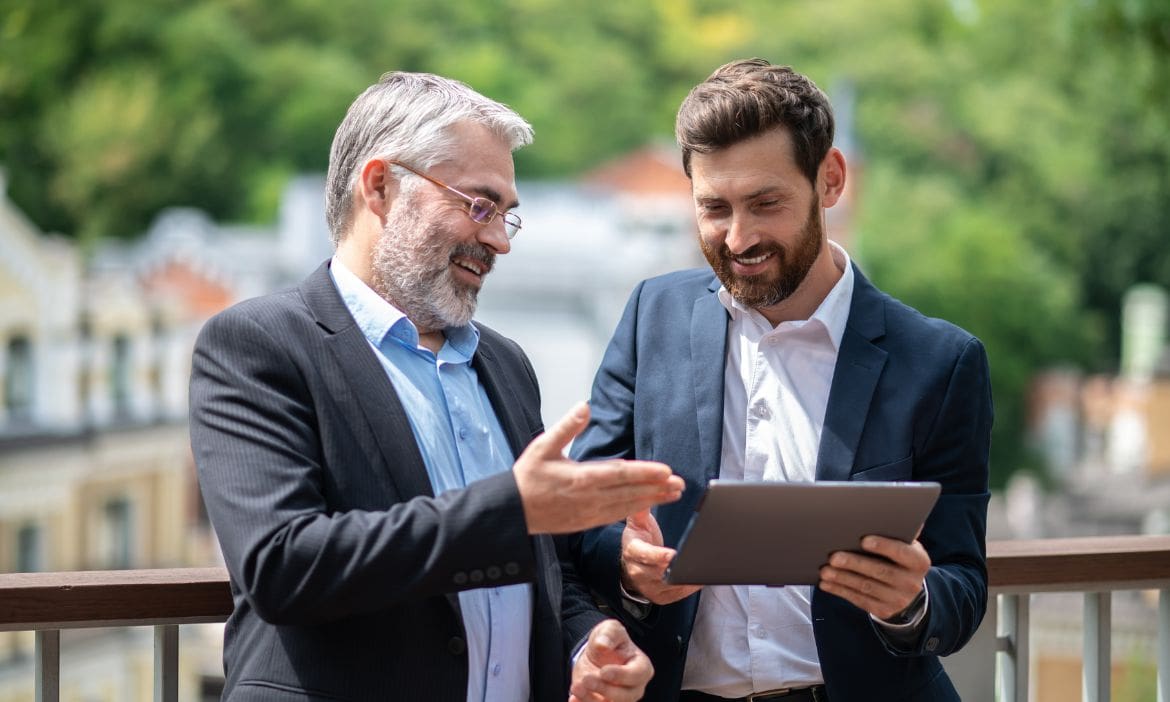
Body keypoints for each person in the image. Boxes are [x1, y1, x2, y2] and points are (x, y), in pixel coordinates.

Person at [189, 71, 685, 702]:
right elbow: (282, 565)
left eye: (508, 215)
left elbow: (547, 570)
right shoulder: (258, 343)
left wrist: (588, 644)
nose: (499, 239)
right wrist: (515, 508)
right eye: (479, 204)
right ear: (380, 187)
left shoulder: (505, 365)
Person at [567, 58, 993, 702]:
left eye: (766, 204)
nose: (739, 238)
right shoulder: (650, 314)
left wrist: (910, 602)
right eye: (714, 208)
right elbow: (581, 517)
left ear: (830, 179)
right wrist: (628, 568)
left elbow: (962, 580)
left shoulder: (941, 361)